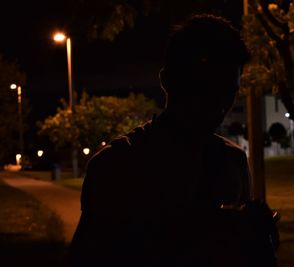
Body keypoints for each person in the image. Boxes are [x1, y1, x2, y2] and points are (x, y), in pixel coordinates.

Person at [69, 14, 277, 266]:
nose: (219, 103)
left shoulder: (232, 162)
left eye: (228, 91)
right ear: (168, 81)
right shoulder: (117, 165)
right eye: (205, 86)